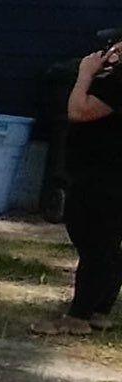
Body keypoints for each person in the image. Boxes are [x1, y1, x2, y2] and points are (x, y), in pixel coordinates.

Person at [61, 28, 122, 326]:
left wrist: (85, 74)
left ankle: (78, 317)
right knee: (108, 243)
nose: (108, 51)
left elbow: (80, 111)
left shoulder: (119, 83)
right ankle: (99, 311)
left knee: (93, 241)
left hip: (103, 174)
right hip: (103, 171)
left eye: (113, 45)